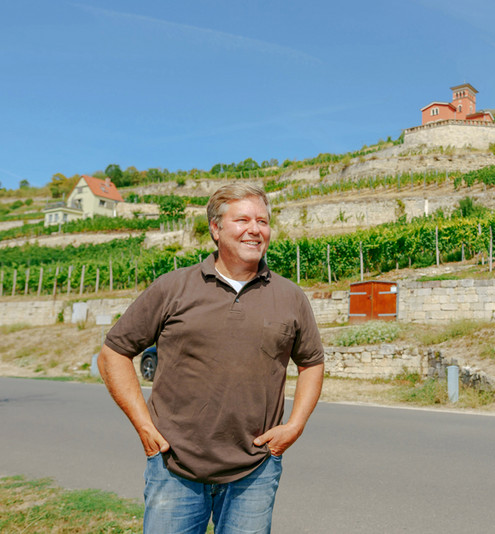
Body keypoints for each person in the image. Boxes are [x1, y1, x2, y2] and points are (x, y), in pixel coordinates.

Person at [98, 183, 325, 533]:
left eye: (262, 221)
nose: (255, 229)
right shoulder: (173, 288)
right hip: (174, 467)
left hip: (255, 470)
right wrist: (143, 424)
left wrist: (295, 426)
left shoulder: (290, 296)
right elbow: (113, 353)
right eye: (243, 220)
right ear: (216, 229)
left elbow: (311, 362)